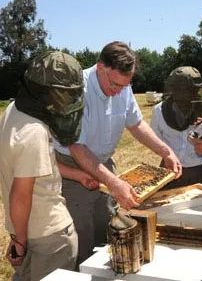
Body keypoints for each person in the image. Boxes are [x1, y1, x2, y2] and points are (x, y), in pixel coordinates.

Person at [54, 41, 182, 265]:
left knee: (108, 235)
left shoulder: (122, 87)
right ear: (100, 67)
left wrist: (165, 151)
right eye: (115, 85)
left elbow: (136, 124)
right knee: (81, 240)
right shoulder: (77, 91)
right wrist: (113, 183)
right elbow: (77, 147)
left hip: (103, 164)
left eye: (125, 85)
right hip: (73, 170)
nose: (119, 91)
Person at [0, 51, 90, 280]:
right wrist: (20, 241)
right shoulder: (33, 131)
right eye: (65, 94)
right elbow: (21, 194)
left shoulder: (13, 111)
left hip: (31, 231)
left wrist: (77, 174)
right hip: (50, 238)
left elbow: (36, 164)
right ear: (49, 91)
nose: (68, 101)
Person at [150, 66, 202, 189]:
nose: (182, 94)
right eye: (178, 89)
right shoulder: (159, 111)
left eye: (187, 89)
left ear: (196, 90)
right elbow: (155, 140)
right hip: (169, 171)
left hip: (199, 171)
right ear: (172, 89)